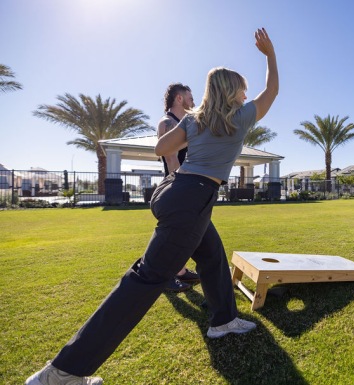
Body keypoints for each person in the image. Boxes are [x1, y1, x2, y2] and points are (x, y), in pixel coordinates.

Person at [26, 27, 278, 385]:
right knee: (145, 280)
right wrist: (270, 54)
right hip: (192, 198)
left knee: (212, 254)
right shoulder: (238, 118)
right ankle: (63, 372)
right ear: (231, 92)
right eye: (242, 88)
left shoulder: (194, 120)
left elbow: (161, 148)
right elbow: (273, 91)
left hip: (180, 192)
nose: (247, 93)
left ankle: (223, 320)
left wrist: (188, 127)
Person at [157, 82, 200, 293]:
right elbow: (171, 157)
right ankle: (166, 276)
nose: (194, 101)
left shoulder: (184, 123)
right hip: (176, 185)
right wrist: (181, 187)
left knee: (183, 232)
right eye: (190, 97)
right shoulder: (167, 123)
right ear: (179, 98)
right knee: (173, 233)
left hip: (185, 185)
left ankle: (180, 271)